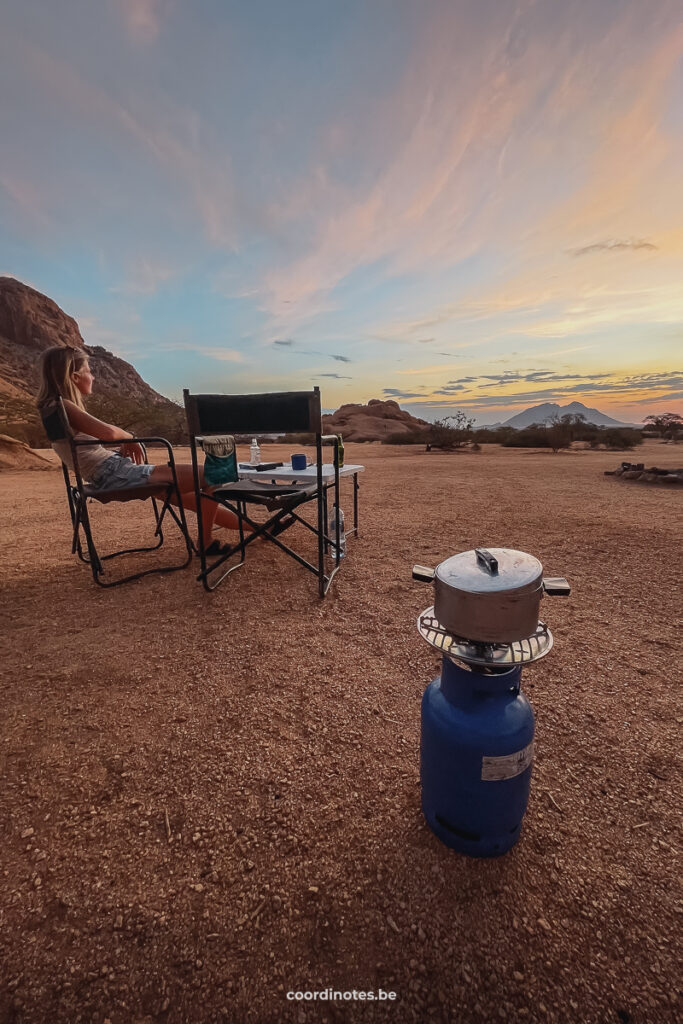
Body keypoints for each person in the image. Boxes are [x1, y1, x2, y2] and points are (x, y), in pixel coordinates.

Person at [36, 345, 244, 554]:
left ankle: (259, 529)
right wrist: (130, 437)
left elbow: (86, 450)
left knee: (199, 499)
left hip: (112, 471)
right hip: (115, 473)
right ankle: (206, 542)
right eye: (89, 371)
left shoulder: (51, 408)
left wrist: (124, 444)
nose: (93, 377)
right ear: (74, 377)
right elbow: (108, 433)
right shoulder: (64, 405)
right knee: (216, 475)